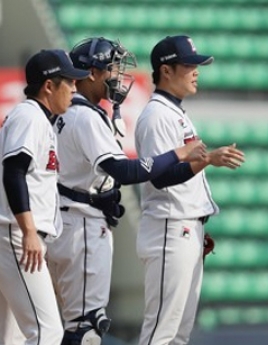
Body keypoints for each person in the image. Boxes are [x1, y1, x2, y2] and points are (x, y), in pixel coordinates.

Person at [45, 37, 207, 345]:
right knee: (85, 328)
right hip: (80, 225)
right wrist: (178, 154)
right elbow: (126, 171)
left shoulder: (64, 113)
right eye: (111, 68)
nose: (117, 76)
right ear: (91, 73)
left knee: (56, 327)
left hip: (64, 220)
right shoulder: (85, 115)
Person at [134, 35, 245, 345]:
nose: (197, 70)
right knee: (160, 333)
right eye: (189, 64)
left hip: (183, 227)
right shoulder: (157, 115)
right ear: (166, 70)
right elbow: (159, 177)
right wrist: (208, 159)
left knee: (178, 335)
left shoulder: (175, 112)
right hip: (169, 228)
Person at [0, 49, 89, 344]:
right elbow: (13, 172)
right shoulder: (30, 117)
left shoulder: (39, 118)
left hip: (17, 234)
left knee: (12, 336)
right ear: (49, 85)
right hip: (15, 233)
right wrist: (28, 232)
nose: (75, 89)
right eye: (70, 82)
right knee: (47, 332)